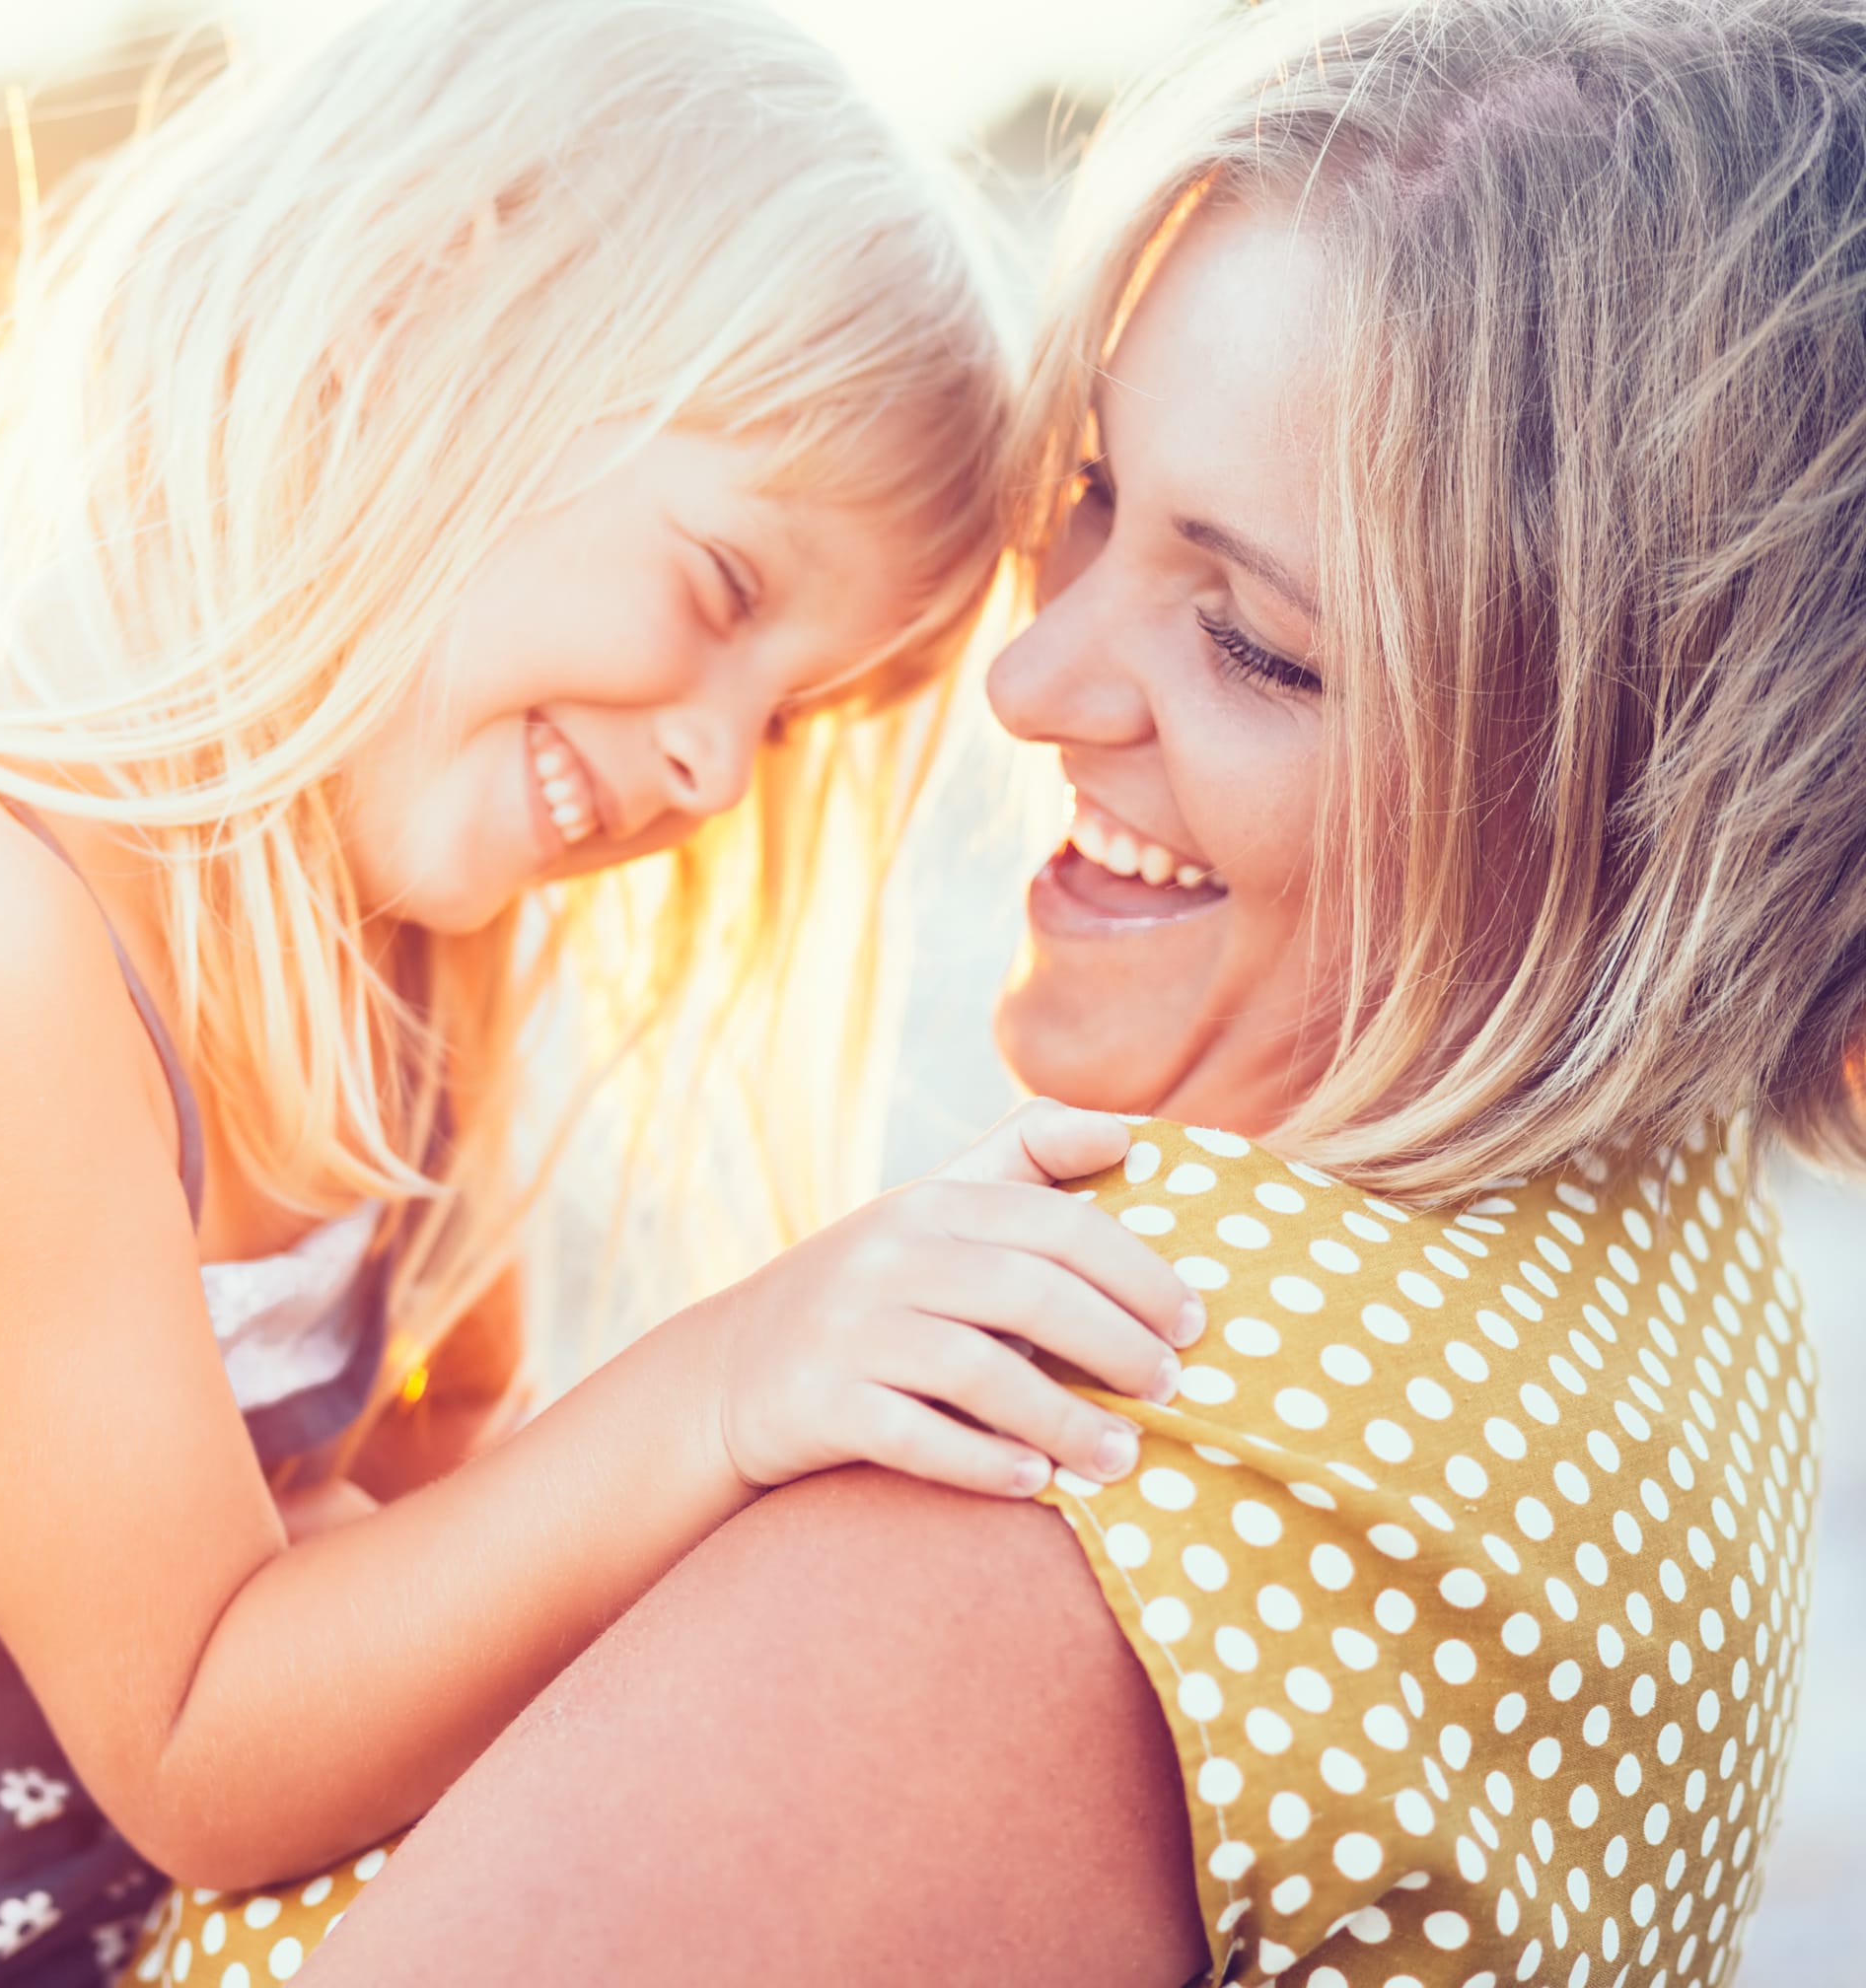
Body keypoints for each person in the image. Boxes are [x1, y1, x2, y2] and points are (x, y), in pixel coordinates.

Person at [0, 3, 1212, 1982]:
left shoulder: (414, 943)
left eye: (787, 728)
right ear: (409, 326)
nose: (709, 767)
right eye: (716, 593)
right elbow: (204, 1738)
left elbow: (434, 1493)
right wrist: (734, 1377)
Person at [149, 0, 1865, 1981]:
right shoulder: (1656, 1268)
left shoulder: (1070, 1435)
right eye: (1091, 501)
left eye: (1254, 643)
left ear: (1661, 797)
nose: (1026, 687)